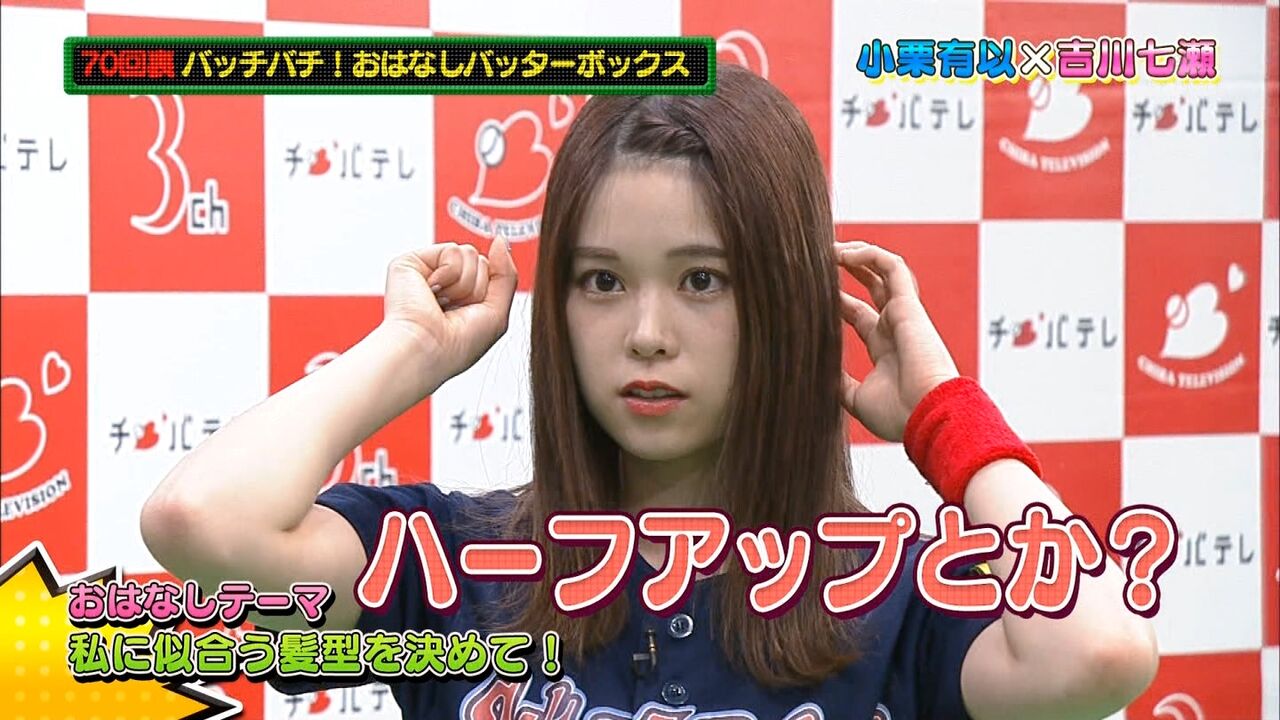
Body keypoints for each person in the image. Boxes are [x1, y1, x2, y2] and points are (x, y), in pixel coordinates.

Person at [141, 65, 1159, 719]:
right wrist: (411, 346)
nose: (645, 333)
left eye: (702, 280)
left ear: (783, 303)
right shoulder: (457, 564)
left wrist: (945, 419)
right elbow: (201, 520)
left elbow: (1099, 653)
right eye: (601, 281)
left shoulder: (889, 596)